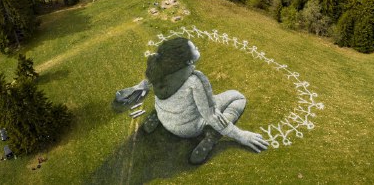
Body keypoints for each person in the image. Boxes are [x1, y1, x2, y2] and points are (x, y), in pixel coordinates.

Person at [115, 37, 269, 164]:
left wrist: (125, 94)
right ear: (188, 62)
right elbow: (211, 116)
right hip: (189, 129)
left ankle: (157, 116)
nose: (197, 48)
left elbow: (143, 85)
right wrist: (241, 136)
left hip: (165, 119)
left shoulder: (158, 68)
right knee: (237, 96)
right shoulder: (196, 80)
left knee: (170, 99)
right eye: (194, 48)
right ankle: (213, 136)